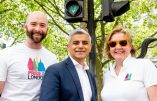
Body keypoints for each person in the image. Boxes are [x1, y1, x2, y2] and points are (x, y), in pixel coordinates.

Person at [0, 11, 58, 101]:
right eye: (33, 24)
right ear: (25, 26)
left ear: (47, 29)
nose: (38, 29)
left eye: (42, 25)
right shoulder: (6, 54)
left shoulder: (52, 59)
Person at [101, 25, 157, 101]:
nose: (118, 47)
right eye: (113, 44)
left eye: (123, 43)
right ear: (109, 48)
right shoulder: (107, 75)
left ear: (130, 46)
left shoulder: (144, 65)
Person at [39, 28, 97, 101]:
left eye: (85, 43)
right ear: (68, 47)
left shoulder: (90, 75)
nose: (80, 46)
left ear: (90, 47)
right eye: (76, 43)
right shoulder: (55, 71)